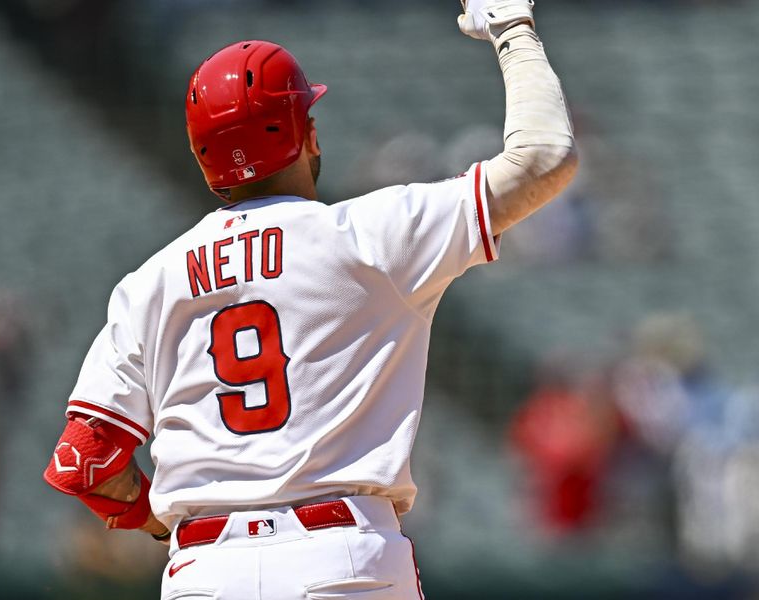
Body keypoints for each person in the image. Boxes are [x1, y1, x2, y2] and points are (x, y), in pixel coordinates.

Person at [43, 1, 577, 598]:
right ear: (308, 134)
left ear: (203, 156)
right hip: (342, 558)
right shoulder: (370, 235)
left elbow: (85, 461)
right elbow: (544, 158)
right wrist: (511, 26)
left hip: (206, 569)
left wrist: (159, 523)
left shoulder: (148, 283)